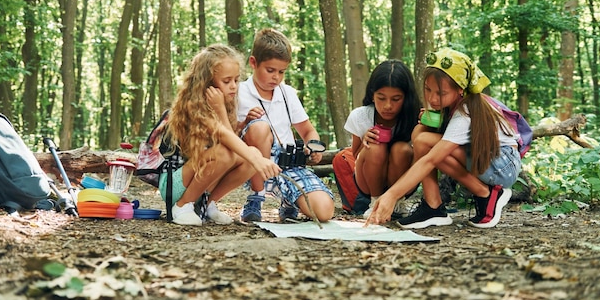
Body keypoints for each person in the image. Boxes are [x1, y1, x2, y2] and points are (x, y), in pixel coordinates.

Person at [366, 47, 522, 229]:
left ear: (460, 90)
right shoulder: (456, 106)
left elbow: (431, 160)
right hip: (489, 158)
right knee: (420, 135)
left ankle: (486, 195)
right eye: (427, 89)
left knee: (425, 142)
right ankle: (433, 207)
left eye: (441, 93)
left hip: (502, 165)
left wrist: (391, 195)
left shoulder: (465, 114)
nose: (432, 98)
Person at [164, 44, 282, 226]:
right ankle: (182, 205)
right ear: (207, 81)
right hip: (176, 184)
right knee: (232, 153)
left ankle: (208, 204)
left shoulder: (224, 103)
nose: (234, 87)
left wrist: (227, 114)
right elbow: (226, 139)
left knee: (250, 155)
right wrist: (219, 109)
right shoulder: (193, 105)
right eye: (227, 81)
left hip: (201, 181)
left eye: (236, 80)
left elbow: (231, 140)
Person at [237, 28, 335, 223]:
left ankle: (289, 202)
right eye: (270, 70)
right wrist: (245, 122)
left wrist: (313, 146)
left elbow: (307, 130)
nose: (276, 77)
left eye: (282, 72)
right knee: (259, 127)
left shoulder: (287, 93)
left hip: (288, 164)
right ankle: (256, 197)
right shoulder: (239, 92)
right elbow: (227, 132)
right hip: (253, 164)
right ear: (253, 63)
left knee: (324, 212)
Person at [342, 59, 420, 218]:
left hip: (404, 181)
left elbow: (422, 159)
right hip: (368, 182)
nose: (388, 106)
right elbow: (355, 156)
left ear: (406, 97)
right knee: (375, 145)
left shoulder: (416, 118)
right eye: (381, 98)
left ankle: (398, 202)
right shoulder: (361, 116)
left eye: (396, 99)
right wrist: (365, 140)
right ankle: (375, 202)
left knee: (401, 149)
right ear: (372, 95)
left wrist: (423, 127)